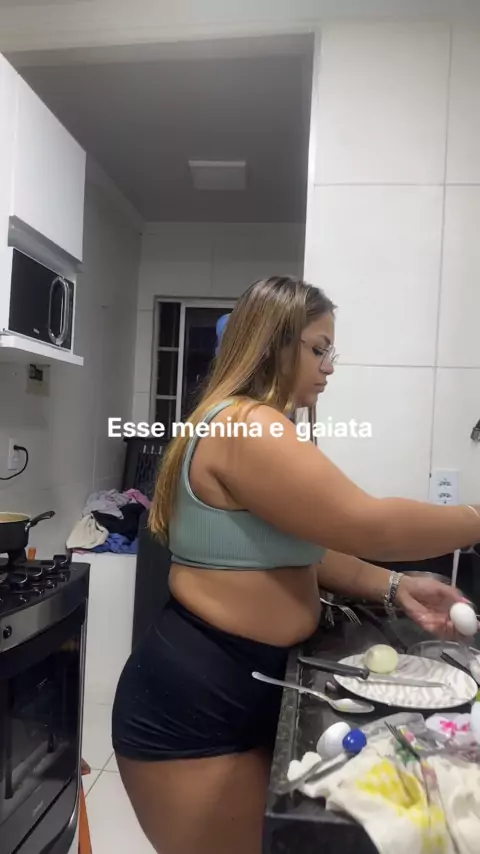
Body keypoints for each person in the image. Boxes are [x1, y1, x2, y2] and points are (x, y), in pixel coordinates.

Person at [112, 276, 480, 854]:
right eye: (318, 349)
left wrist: (395, 585)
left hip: (240, 680)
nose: (329, 367)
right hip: (200, 703)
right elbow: (366, 524)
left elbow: (308, 546)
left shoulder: (244, 422)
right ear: (274, 343)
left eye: (331, 352)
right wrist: (475, 517)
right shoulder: (246, 425)